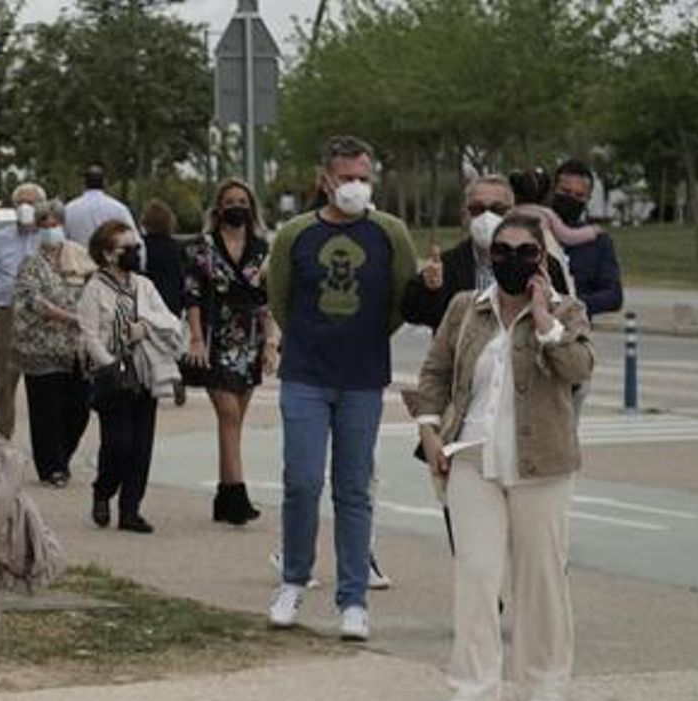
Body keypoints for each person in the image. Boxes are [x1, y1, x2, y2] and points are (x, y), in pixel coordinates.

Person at [412, 214, 594, 701]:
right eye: (502, 251)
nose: (512, 260)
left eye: (525, 251)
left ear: (542, 258)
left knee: (541, 577)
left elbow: (579, 370)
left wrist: (543, 321)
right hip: (473, 458)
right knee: (476, 576)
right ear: (490, 256)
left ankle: (545, 685)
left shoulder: (566, 311)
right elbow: (437, 371)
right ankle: (474, 695)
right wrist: (429, 427)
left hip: (543, 465)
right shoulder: (466, 309)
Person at [264, 135, 418, 642]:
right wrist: (307, 341)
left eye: (363, 177)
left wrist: (368, 339)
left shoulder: (389, 232)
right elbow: (280, 299)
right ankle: (293, 578)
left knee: (353, 488)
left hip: (362, 378)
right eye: (346, 176)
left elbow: (401, 299)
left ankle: (353, 599)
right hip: (305, 375)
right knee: (302, 481)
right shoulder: (295, 234)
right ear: (326, 179)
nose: (355, 186)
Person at [183, 178, 280, 525]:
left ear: (251, 207)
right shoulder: (203, 247)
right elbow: (192, 294)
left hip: (251, 340)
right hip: (216, 340)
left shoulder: (262, 248)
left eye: (243, 200)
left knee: (236, 421)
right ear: (219, 208)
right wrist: (195, 338)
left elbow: (268, 299)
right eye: (230, 201)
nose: (236, 206)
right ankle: (238, 495)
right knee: (228, 416)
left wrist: (270, 343)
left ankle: (225, 496)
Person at [80, 220, 186, 534]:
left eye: (136, 247)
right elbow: (89, 335)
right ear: (108, 254)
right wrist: (110, 364)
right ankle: (103, 490)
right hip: (112, 376)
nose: (135, 253)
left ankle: (131, 510)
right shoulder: (94, 289)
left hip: (145, 373)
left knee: (141, 446)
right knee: (118, 444)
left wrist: (145, 326)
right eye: (128, 248)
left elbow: (167, 320)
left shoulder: (144, 285)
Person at [12, 200, 93, 486]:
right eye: (44, 225)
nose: (50, 230)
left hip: (75, 350)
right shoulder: (31, 264)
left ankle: (63, 456)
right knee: (47, 412)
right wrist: (71, 317)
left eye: (55, 224)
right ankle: (52, 467)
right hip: (41, 350)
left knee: (79, 409)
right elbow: (34, 302)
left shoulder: (79, 258)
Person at [404, 175, 515, 331]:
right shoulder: (446, 266)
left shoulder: (536, 262)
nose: (487, 217)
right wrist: (430, 290)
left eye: (497, 210)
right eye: (477, 209)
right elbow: (413, 314)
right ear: (465, 216)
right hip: (462, 354)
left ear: (512, 214)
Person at [0, 182, 47, 439]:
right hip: (7, 311)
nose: (25, 208)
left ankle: (48, 446)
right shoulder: (0, 239)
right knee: (4, 379)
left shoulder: (49, 237)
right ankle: (3, 435)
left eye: (31, 203)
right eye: (20, 203)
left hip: (41, 314)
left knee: (43, 381)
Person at [551, 159, 624, 318]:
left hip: (575, 332)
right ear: (553, 190)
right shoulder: (531, 229)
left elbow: (614, 296)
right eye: (565, 192)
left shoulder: (598, 241)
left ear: (588, 199)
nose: (571, 199)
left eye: (579, 195)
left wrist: (572, 304)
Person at [64, 164, 139, 254]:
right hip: (110, 262)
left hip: (78, 264)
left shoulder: (69, 209)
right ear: (105, 182)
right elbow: (134, 240)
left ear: (84, 182)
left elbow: (63, 241)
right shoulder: (119, 209)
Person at [140, 199, 185, 317]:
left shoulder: (140, 246)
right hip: (171, 305)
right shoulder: (176, 247)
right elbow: (182, 278)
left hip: (147, 305)